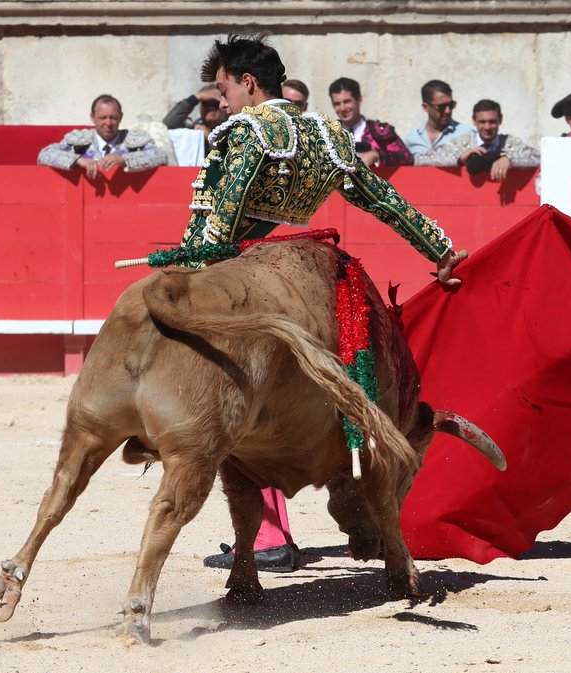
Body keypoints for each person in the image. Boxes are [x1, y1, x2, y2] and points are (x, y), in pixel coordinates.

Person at [181, 35, 466, 573]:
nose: (221, 103)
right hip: (315, 272)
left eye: (223, 90)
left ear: (248, 82)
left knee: (225, 396)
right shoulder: (327, 132)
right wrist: (441, 250)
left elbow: (217, 225)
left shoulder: (243, 132)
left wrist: (185, 276)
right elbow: (382, 198)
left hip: (244, 276)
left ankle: (268, 540)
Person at [37, 94, 169, 178]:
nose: (108, 123)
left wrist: (125, 160)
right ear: (92, 118)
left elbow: (160, 155)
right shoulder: (79, 141)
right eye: (102, 118)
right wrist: (78, 160)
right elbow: (45, 154)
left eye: (113, 118)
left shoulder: (133, 138)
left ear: (120, 117)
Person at [414, 99, 540, 180]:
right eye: (482, 122)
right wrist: (459, 159)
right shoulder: (462, 144)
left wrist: (510, 159)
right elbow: (420, 159)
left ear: (500, 119)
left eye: (492, 122)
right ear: (474, 121)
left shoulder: (510, 143)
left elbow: (540, 159)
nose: (487, 127)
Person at [328, 77, 412, 167]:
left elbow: (407, 158)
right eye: (337, 104)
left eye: (347, 101)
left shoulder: (380, 132)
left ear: (359, 100)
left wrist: (376, 155)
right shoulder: (327, 133)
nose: (343, 108)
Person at [403, 79, 473, 155]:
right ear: (425, 107)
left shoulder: (467, 135)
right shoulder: (411, 139)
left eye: (451, 105)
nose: (448, 111)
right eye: (441, 106)